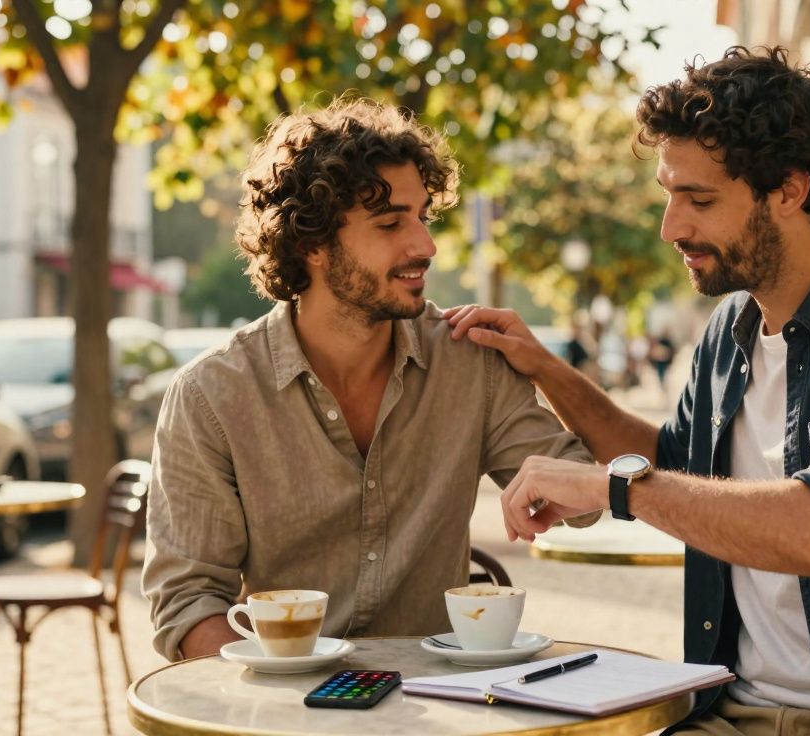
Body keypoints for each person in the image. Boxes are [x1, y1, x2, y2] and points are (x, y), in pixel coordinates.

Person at [445, 46, 810, 736]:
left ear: (790, 191)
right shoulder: (729, 330)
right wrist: (545, 369)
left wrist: (611, 488)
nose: (671, 227)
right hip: (718, 711)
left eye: (699, 200)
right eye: (668, 195)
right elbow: (679, 469)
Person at [142, 99, 594, 662]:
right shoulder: (212, 396)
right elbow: (188, 601)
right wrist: (284, 708)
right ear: (311, 243)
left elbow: (586, 501)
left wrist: (550, 379)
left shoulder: (469, 362)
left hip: (443, 707)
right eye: (389, 223)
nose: (425, 246)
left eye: (423, 217)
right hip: (292, 716)